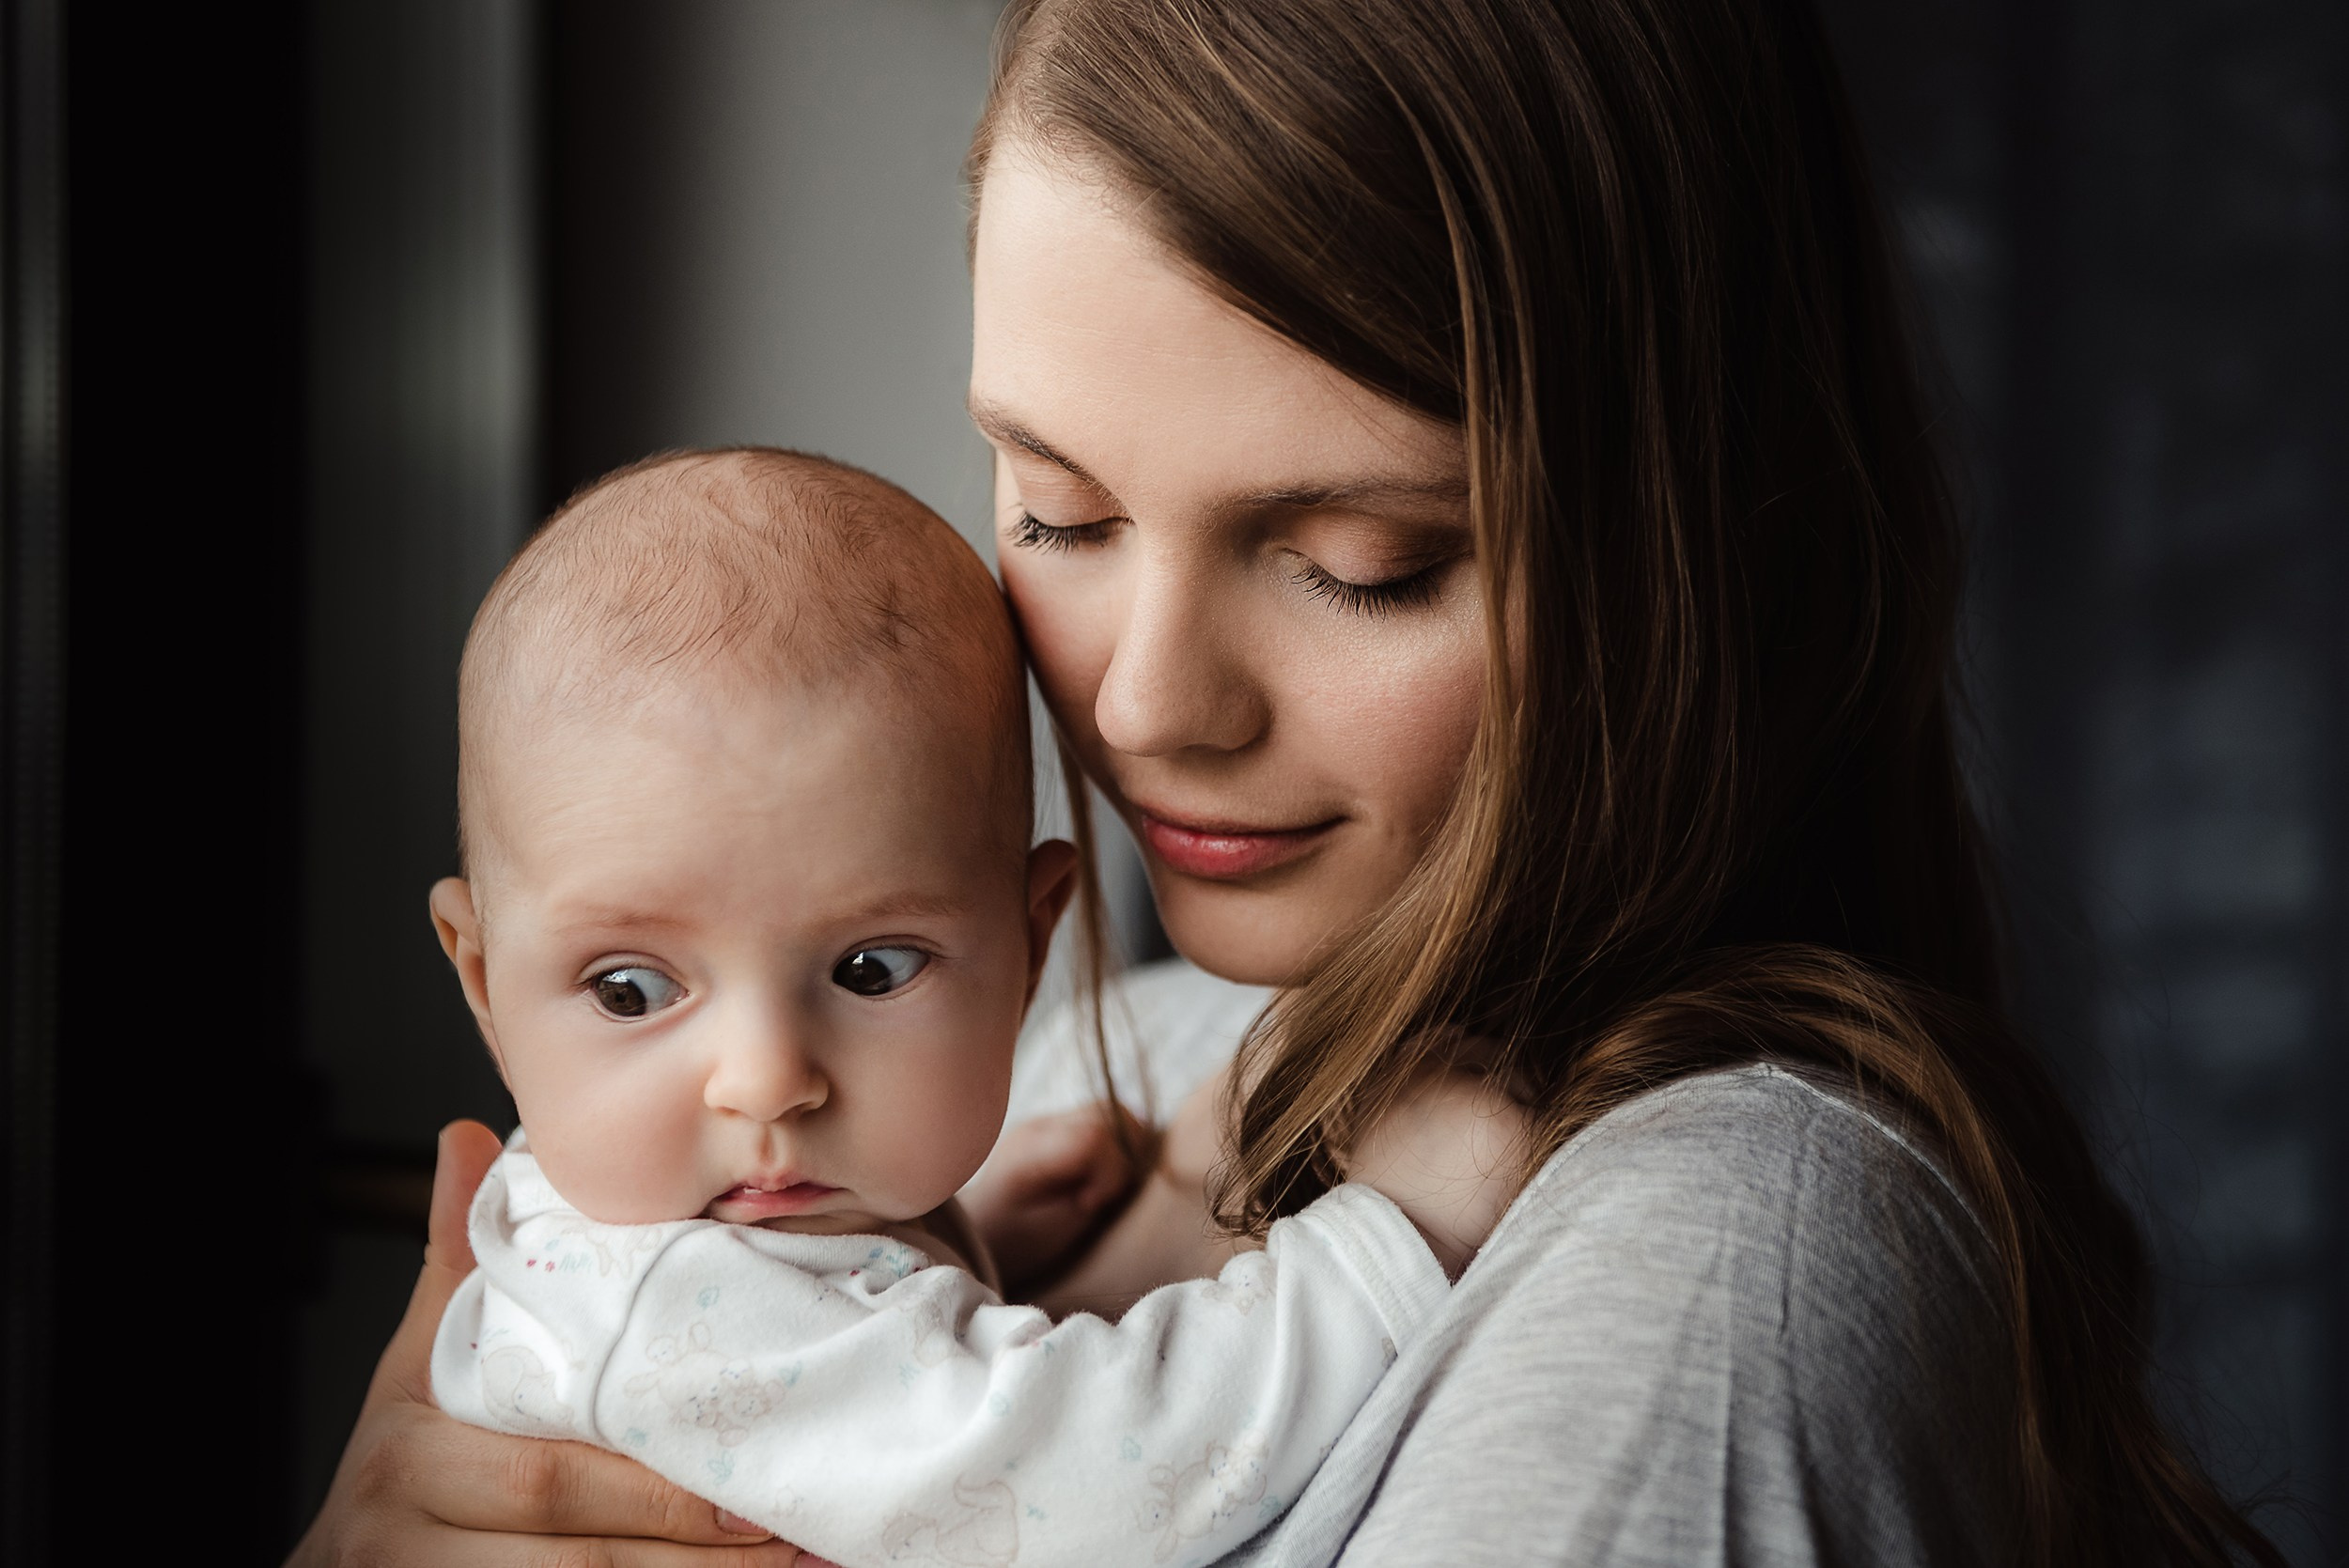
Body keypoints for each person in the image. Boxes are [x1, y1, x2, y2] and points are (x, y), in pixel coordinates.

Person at [291, 2, 2284, 1564]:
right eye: (1060, 511)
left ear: (1699, 544)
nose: (1145, 705)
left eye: (1362, 561)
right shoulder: (1043, 1079)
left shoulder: (1705, 1268)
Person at [421, 446, 1519, 1567]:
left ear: (1029, 944)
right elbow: (1103, 1479)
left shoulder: (672, 1240)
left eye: (871, 970)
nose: (765, 1079)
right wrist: (1393, 1244)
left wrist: (955, 1241)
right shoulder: (665, 1300)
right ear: (484, 985)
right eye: (631, 991)